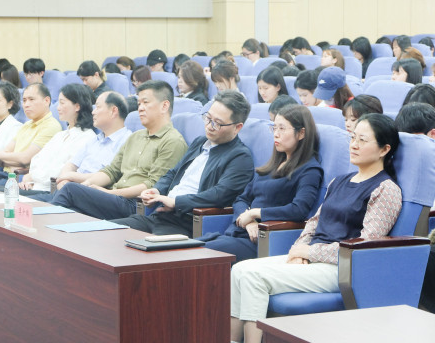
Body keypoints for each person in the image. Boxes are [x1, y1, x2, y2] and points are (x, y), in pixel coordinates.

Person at [230, 113, 402, 343]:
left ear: (384, 149)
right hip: (313, 258)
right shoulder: (339, 181)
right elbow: (314, 222)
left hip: (341, 268)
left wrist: (311, 252)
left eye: (362, 140)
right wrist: (299, 249)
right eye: (353, 138)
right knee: (239, 270)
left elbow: (363, 247)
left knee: (253, 277)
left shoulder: (386, 189)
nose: (354, 145)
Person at [111, 91, 255, 237]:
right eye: (208, 118)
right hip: (160, 215)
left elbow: (218, 195)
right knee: (108, 231)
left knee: (141, 245)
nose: (209, 126)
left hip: (187, 223)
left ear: (237, 127)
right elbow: (173, 173)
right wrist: (157, 190)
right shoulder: (199, 142)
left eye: (217, 123)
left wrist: (176, 202)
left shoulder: (240, 157)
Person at [49, 80, 188, 219]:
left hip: (136, 205)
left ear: (164, 106)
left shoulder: (173, 141)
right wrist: (86, 186)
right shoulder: (135, 137)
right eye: (139, 104)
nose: (140, 108)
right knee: (72, 207)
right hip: (115, 197)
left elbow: (153, 186)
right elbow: (111, 171)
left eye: (146, 103)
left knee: (70, 190)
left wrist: (106, 193)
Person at [202, 105, 323, 262]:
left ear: (301, 133)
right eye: (274, 128)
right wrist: (248, 222)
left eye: (282, 129)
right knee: (186, 247)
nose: (276, 134)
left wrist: (255, 213)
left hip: (262, 240)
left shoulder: (310, 169)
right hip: (239, 232)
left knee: (197, 253)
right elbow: (241, 199)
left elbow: (299, 209)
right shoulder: (270, 167)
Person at [41, 92, 132, 202]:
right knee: (25, 200)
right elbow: (71, 165)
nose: (93, 112)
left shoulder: (127, 141)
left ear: (113, 111)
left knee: (42, 208)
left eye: (98, 107)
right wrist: (64, 179)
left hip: (93, 196)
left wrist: (70, 177)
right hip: (69, 191)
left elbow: (108, 175)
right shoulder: (94, 140)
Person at [13, 84, 96, 195]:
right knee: (5, 193)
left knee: (8, 196)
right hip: (35, 187)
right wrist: (29, 180)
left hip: (51, 192)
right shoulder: (60, 135)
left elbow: (60, 172)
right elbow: (37, 160)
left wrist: (33, 178)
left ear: (77, 107)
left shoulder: (87, 137)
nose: (58, 108)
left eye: (62, 103)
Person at [0, 83, 62, 184]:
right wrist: (14, 160)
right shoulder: (26, 125)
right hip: (3, 175)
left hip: (19, 180)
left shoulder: (51, 126)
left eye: (31, 99)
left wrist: (9, 158)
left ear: (46, 101)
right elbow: (2, 155)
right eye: (24, 100)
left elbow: (25, 159)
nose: (26, 104)